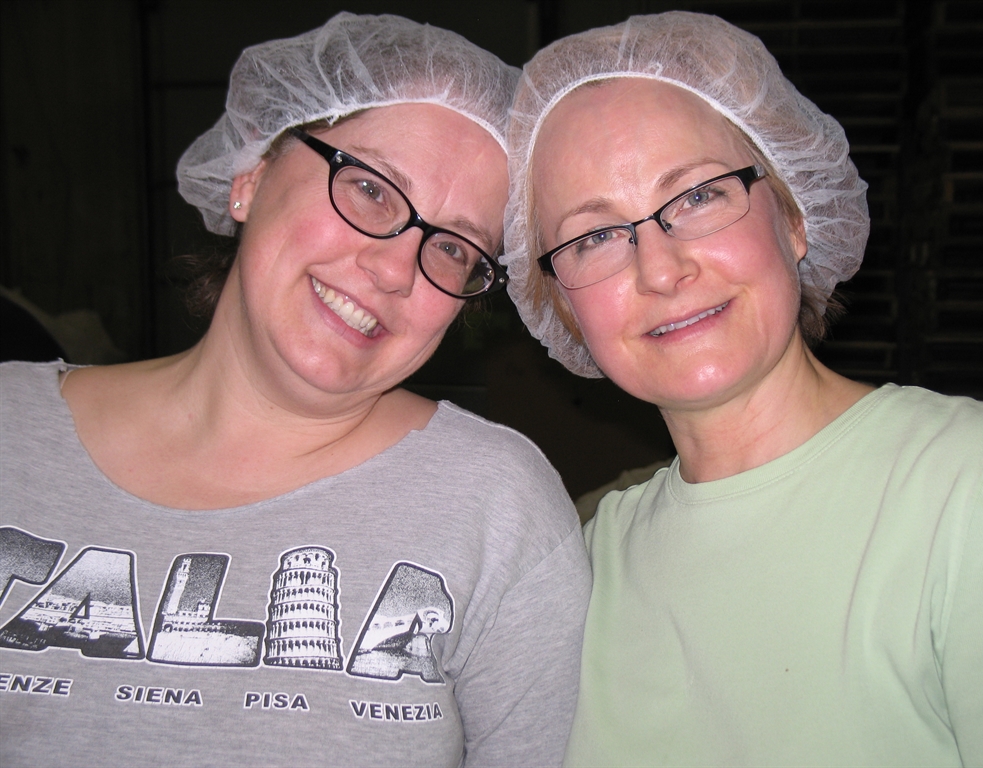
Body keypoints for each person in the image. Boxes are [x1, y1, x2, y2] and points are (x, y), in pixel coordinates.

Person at [0, 13, 590, 767]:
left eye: (453, 246)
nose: (393, 270)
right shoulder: (11, 430)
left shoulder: (498, 509)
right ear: (251, 175)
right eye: (371, 189)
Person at [501, 11, 983, 767]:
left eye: (698, 197)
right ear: (563, 308)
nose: (660, 269)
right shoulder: (582, 568)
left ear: (794, 216)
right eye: (595, 237)